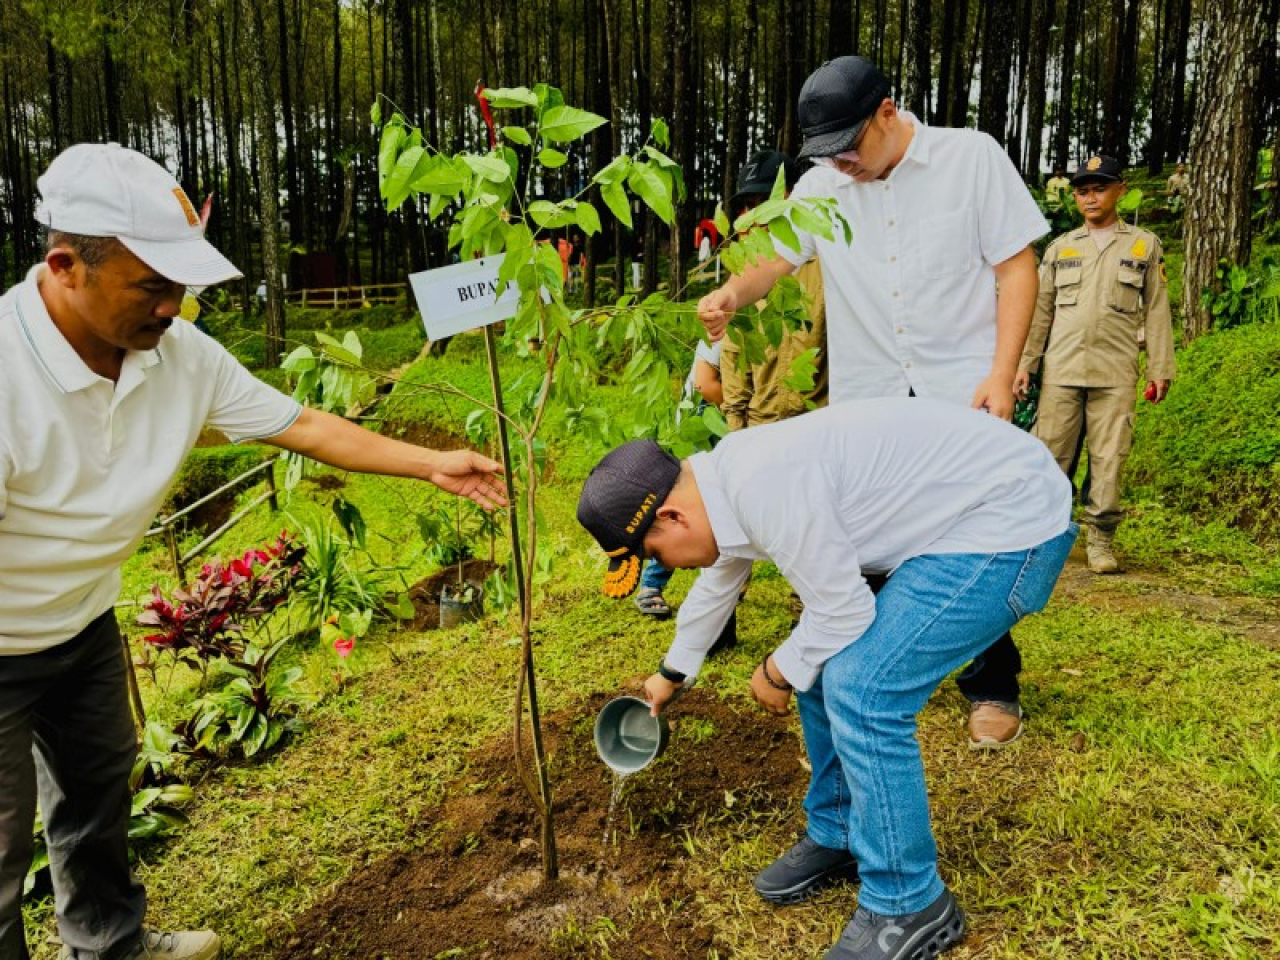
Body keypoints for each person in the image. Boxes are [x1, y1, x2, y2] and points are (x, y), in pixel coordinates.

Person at [0, 143, 507, 960]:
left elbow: (300, 424)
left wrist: (433, 464)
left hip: (83, 622)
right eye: (153, 286)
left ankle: (109, 946)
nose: (174, 307)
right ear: (66, 265)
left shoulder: (179, 356)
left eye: (182, 286)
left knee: (96, 797)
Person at [576, 399, 1076, 960]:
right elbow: (720, 581)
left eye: (653, 554)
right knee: (819, 664)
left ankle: (910, 900)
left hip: (1008, 523)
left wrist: (775, 669)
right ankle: (840, 831)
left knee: (863, 689)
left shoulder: (764, 485)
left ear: (672, 517)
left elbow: (844, 613)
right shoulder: (722, 481)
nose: (667, 565)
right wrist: (672, 673)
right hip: (959, 517)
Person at [696, 56, 1049, 749]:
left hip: (960, 390)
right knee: (865, 547)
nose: (841, 165)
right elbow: (775, 255)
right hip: (871, 401)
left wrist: (1002, 373)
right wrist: (733, 295)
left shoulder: (970, 158)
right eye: (827, 154)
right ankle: (870, 680)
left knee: (970, 532)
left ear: (888, 110)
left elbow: (1017, 266)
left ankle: (991, 684)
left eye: (850, 147)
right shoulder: (822, 185)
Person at [1015, 155, 1175, 574]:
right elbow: (1041, 314)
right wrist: (1026, 366)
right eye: (1083, 191)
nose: (1091, 197)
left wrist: (1160, 368)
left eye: (1099, 188)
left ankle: (1100, 540)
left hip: (1115, 372)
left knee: (1109, 458)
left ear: (1120, 189)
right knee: (1050, 455)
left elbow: (1157, 310)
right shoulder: (1061, 248)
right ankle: (1045, 537)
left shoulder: (1142, 245)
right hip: (1062, 372)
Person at [718, 150, 828, 431]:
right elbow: (733, 358)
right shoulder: (744, 275)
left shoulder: (827, 266)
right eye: (748, 205)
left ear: (794, 199)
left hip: (818, 426)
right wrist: (735, 430)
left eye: (765, 202)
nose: (754, 214)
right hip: (762, 428)